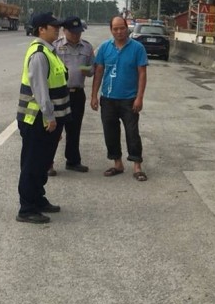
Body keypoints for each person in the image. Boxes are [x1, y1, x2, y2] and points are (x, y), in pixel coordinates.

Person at [16, 12, 71, 224]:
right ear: (41, 29)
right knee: (32, 163)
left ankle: (38, 199)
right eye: (53, 26)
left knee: (42, 163)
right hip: (37, 120)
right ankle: (27, 208)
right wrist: (50, 118)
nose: (57, 30)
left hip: (49, 119)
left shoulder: (50, 51)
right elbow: (40, 91)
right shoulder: (39, 53)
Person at [90, 15, 148, 181]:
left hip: (129, 99)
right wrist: (94, 95)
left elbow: (142, 74)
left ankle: (137, 166)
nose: (119, 31)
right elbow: (99, 71)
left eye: (122, 28)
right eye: (115, 29)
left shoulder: (137, 48)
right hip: (108, 98)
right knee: (110, 132)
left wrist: (139, 97)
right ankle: (117, 163)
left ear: (127, 28)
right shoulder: (104, 48)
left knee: (132, 132)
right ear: (111, 30)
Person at [50, 16, 95, 174]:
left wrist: (86, 69)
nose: (76, 35)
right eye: (73, 32)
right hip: (59, 93)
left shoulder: (87, 48)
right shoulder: (55, 46)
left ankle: (73, 161)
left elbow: (92, 70)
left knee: (74, 129)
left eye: (79, 32)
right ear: (64, 30)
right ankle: (48, 163)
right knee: (54, 129)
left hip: (77, 94)